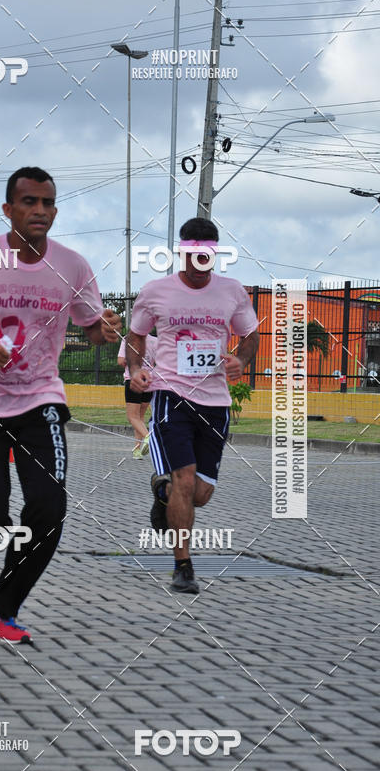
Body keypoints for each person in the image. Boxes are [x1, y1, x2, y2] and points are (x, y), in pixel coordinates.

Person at [0, 166, 121, 644]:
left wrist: (106, 328)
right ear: (8, 208)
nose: (40, 211)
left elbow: (91, 328)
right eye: (29, 202)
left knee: (49, 507)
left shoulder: (72, 265)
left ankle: (3, 610)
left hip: (40, 397)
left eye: (48, 203)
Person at [126, 217, 259, 594]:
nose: (199, 261)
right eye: (192, 254)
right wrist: (137, 369)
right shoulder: (156, 291)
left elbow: (250, 335)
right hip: (172, 395)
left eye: (207, 255)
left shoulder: (231, 291)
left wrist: (242, 361)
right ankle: (183, 566)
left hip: (215, 401)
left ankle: (162, 492)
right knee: (185, 479)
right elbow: (136, 334)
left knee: (199, 494)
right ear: (181, 251)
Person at [117, 333, 157, 459]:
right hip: (149, 380)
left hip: (133, 380)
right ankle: (137, 450)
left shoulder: (128, 339)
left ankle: (148, 436)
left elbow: (120, 361)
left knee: (132, 416)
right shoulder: (155, 341)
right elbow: (157, 362)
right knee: (139, 416)